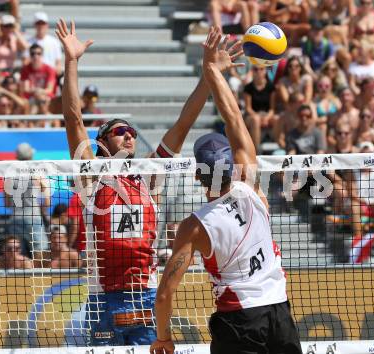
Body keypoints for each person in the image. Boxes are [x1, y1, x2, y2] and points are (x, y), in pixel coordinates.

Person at [55, 18, 244, 346]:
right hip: (105, 298)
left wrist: (210, 74)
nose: (129, 135)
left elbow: (185, 122)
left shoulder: (148, 175)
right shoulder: (92, 176)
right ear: (102, 142)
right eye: (119, 131)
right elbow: (73, 118)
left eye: (131, 131)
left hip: (145, 296)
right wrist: (71, 62)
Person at [150, 26, 302, 354]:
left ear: (196, 176)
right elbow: (233, 117)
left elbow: (164, 294)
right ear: (232, 165)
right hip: (280, 315)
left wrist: (163, 337)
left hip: (238, 323)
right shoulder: (250, 186)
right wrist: (213, 71)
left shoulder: (194, 226)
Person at [4, 143, 50, 256]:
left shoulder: (10, 174)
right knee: (40, 254)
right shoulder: (38, 173)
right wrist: (43, 212)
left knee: (17, 256)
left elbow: (7, 204)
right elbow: (48, 202)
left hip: (16, 218)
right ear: (31, 156)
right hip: (34, 217)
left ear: (17, 156)